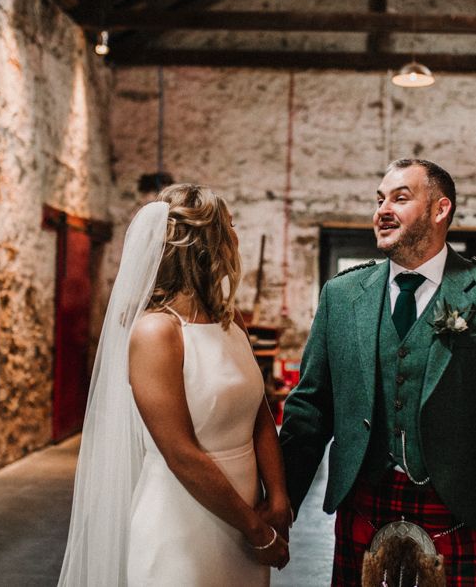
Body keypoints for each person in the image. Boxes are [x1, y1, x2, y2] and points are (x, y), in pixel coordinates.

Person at [58, 184, 290, 587]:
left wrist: (279, 497)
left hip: (249, 517)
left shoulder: (229, 322)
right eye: (229, 228)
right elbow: (181, 453)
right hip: (183, 519)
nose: (236, 239)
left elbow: (259, 414)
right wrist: (256, 529)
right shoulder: (156, 332)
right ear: (204, 244)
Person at [280, 159, 476, 586]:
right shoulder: (342, 294)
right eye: (379, 199)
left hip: (458, 505)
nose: (382, 210)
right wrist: (281, 503)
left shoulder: (473, 287)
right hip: (364, 501)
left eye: (400, 198)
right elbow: (311, 407)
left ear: (440, 210)